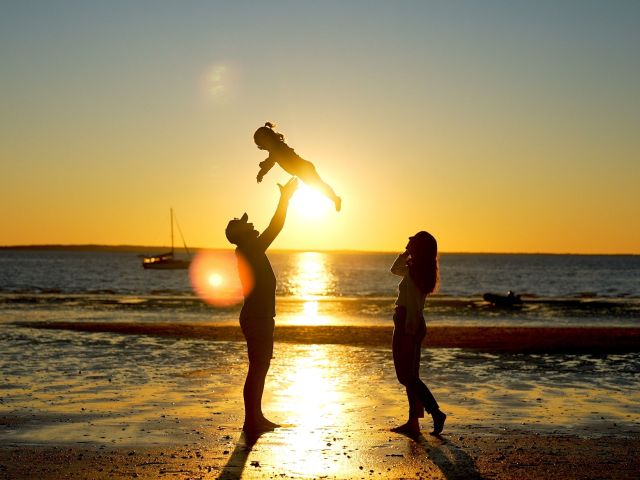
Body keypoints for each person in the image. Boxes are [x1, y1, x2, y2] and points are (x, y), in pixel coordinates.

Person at [225, 177, 299, 433]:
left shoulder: (250, 248)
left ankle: (256, 416)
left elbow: (270, 228)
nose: (252, 224)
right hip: (257, 318)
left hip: (260, 317)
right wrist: (284, 199)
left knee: (260, 367)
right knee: (257, 368)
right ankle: (251, 420)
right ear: (242, 235)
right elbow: (275, 226)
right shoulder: (249, 248)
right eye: (247, 225)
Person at [390, 230, 447, 436]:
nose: (408, 240)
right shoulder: (418, 269)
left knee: (406, 377)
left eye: (412, 240)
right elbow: (394, 269)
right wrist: (407, 252)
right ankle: (413, 421)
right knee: (411, 376)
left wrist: (408, 330)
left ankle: (435, 412)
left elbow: (413, 304)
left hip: (408, 323)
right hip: (410, 322)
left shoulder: (414, 271)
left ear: (419, 248)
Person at [253, 122, 342, 212]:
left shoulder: (277, 147)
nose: (264, 145)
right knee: (319, 185)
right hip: (303, 169)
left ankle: (335, 198)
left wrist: (261, 172)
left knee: (319, 185)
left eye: (264, 141)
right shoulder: (275, 149)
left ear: (269, 138)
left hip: (304, 169)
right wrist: (263, 166)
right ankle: (335, 198)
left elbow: (271, 161)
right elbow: (271, 160)